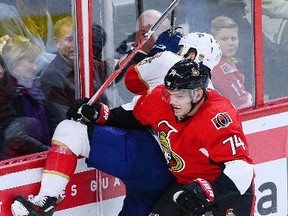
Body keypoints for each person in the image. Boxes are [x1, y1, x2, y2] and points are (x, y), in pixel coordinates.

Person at [10, 31, 222, 216]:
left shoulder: (168, 63)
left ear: (191, 53)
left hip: (146, 156)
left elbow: (132, 82)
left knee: (70, 131)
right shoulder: (217, 102)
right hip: (172, 180)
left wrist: (153, 54)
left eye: (182, 47)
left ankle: (46, 200)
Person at [40, 17, 108, 133]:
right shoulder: (51, 76)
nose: (75, 45)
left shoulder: (91, 65)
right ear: (56, 42)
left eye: (78, 39)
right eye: (69, 39)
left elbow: (105, 100)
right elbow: (65, 117)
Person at [0, 35, 51, 160]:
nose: (35, 67)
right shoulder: (4, 92)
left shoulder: (33, 86)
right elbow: (15, 135)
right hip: (18, 164)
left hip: (41, 157)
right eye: (30, 61)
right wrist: (47, 152)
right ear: (14, 62)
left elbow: (50, 119)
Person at [0, 0, 57, 73]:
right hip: (25, 75)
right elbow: (20, 56)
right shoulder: (6, 14)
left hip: (46, 71)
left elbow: (52, 47)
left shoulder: (42, 7)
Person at [210, 15, 253, 109]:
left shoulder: (225, 61)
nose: (230, 43)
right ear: (213, 41)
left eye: (233, 38)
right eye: (224, 39)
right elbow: (242, 103)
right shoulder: (221, 68)